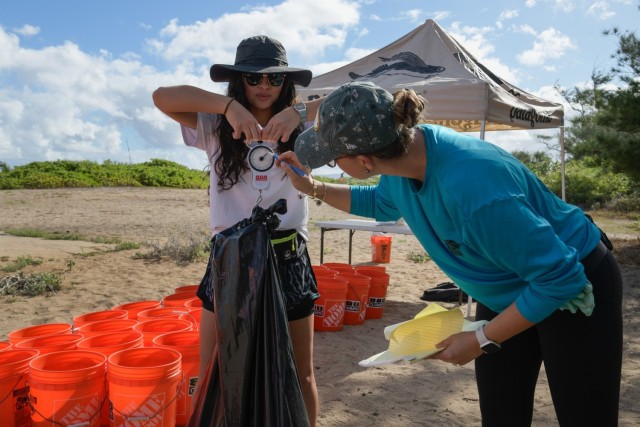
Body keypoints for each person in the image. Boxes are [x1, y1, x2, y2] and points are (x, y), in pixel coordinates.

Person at [277, 81, 623, 427]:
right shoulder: (405, 152)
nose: (330, 165)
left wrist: (480, 339)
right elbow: (381, 201)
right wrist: (313, 187)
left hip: (572, 287)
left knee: (584, 416)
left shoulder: (473, 190)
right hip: (508, 289)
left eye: (334, 160)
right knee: (503, 413)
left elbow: (559, 278)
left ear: (365, 161)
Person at [152, 35, 322, 426]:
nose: (264, 87)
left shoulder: (306, 128)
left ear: (287, 84)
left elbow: (364, 99)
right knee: (215, 367)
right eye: (253, 77)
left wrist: (299, 112)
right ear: (238, 80)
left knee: (301, 372)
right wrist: (228, 108)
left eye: (275, 80)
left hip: (287, 256)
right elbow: (162, 96)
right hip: (230, 259)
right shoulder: (214, 125)